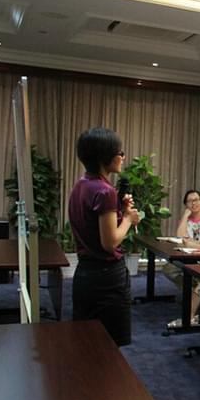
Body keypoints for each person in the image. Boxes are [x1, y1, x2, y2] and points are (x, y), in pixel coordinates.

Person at [68, 127, 140, 346]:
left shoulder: (81, 184)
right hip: (107, 278)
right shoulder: (105, 191)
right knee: (110, 345)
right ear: (104, 157)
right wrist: (128, 218)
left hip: (85, 273)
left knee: (87, 342)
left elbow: (91, 225)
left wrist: (118, 207)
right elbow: (110, 242)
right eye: (119, 153)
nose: (122, 157)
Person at [161, 189, 200, 325]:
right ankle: (191, 292)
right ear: (186, 205)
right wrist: (185, 216)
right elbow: (180, 236)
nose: (193, 203)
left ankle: (192, 304)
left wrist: (194, 244)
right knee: (169, 268)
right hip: (189, 256)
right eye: (189, 201)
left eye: (196, 200)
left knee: (195, 277)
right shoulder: (187, 220)